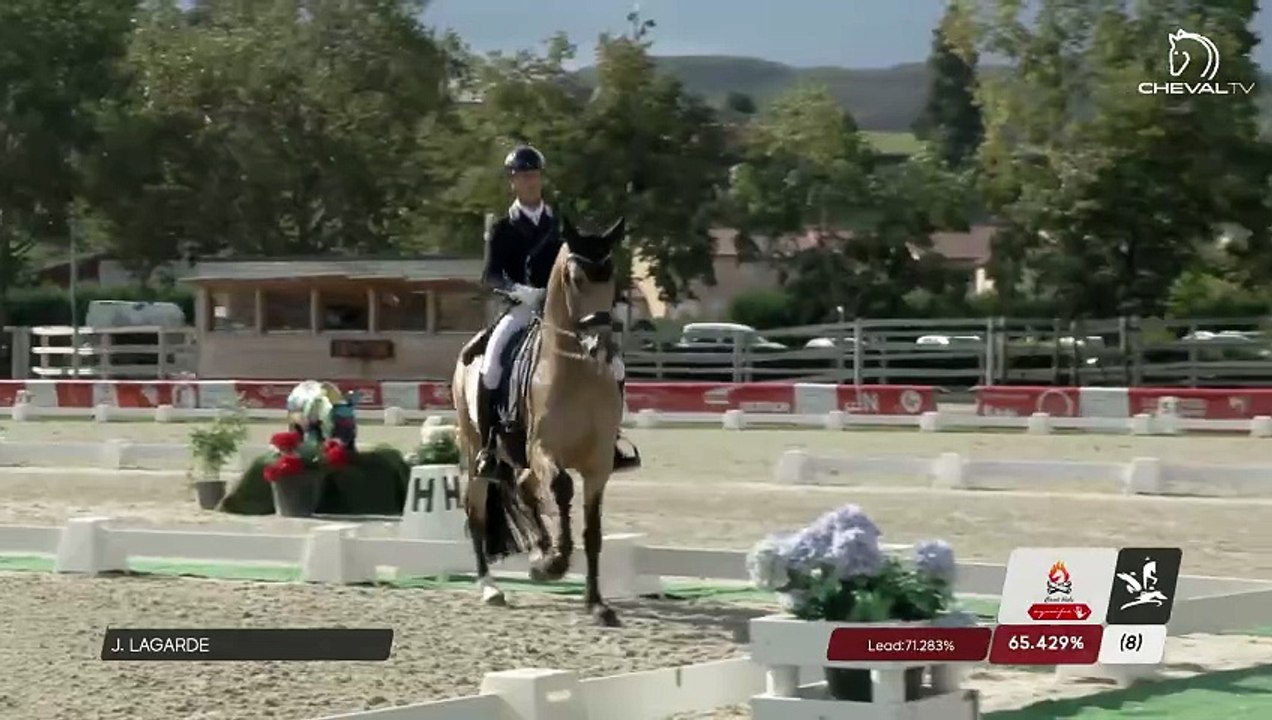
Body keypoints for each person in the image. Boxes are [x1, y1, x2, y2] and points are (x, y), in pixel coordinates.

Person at [473, 144, 641, 479]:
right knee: (491, 364)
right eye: (523, 177)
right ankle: (489, 446)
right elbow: (490, 275)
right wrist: (520, 291)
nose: (530, 182)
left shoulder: (560, 226)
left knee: (616, 365)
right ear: (513, 182)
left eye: (534, 175)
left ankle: (612, 438)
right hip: (521, 309)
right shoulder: (503, 228)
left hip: (565, 313)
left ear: (541, 178)